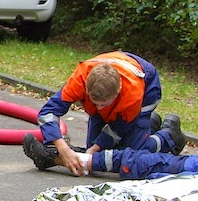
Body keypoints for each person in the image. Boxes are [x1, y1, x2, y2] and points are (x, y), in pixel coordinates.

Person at [22, 51, 186, 176]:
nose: (100, 109)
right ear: (86, 89)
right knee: (97, 150)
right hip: (115, 79)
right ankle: (149, 125)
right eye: (95, 103)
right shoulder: (79, 80)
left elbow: (119, 127)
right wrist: (62, 146)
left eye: (105, 105)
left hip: (147, 87)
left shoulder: (132, 94)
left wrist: (97, 148)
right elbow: (48, 112)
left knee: (132, 158)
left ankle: (169, 137)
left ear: (118, 92)